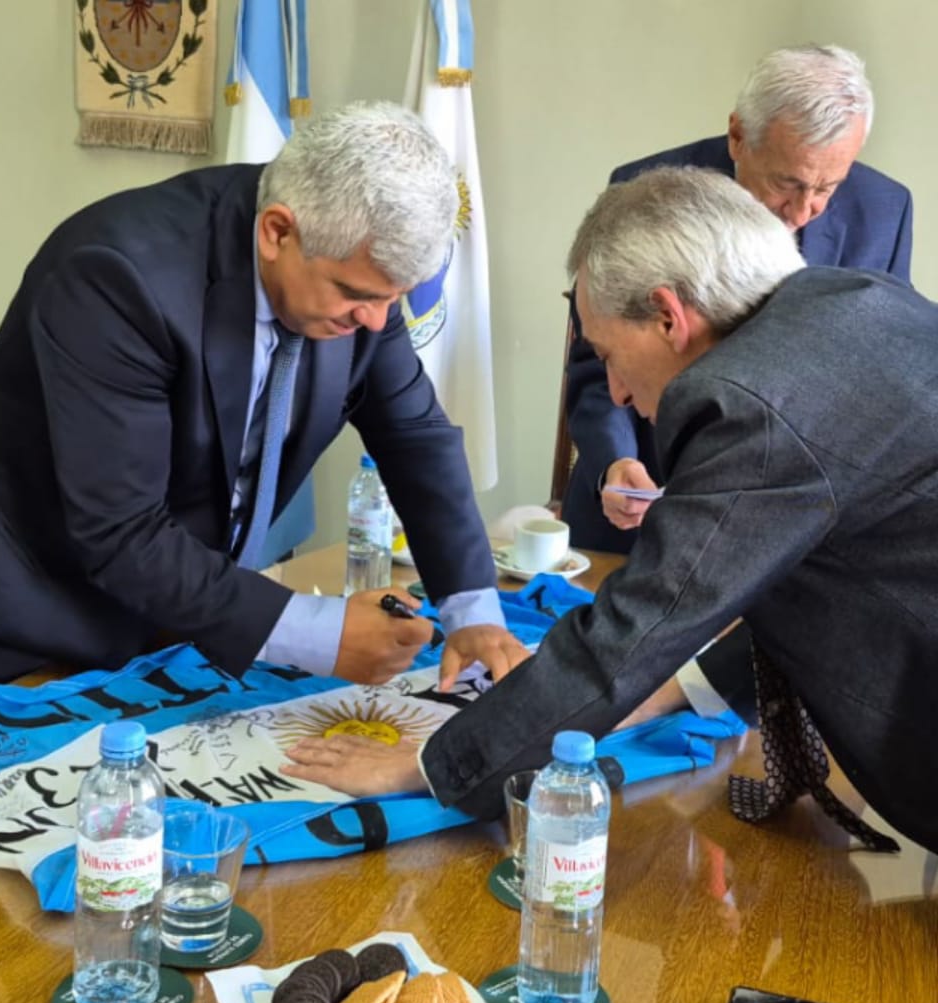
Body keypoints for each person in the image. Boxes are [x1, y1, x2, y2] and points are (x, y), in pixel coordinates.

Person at [283, 166, 938, 856]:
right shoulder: (854, 300)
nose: (618, 394)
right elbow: (778, 583)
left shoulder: (751, 403)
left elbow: (640, 625)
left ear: (668, 315)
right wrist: (663, 689)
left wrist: (432, 765)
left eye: (608, 355)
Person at [0, 101, 527, 696]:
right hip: (19, 589)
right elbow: (121, 531)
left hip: (157, 592)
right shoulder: (115, 277)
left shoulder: (359, 283)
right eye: (357, 295)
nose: (377, 322)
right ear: (277, 232)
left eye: (392, 299)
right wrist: (318, 634)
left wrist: (472, 613)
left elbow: (415, 438)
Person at [565, 43, 914, 725]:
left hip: (789, 529)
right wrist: (612, 461)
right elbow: (596, 363)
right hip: (647, 506)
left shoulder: (886, 208)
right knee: (601, 701)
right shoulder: (647, 193)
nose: (806, 209)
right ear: (737, 136)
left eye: (829, 187)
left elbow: (870, 375)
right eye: (788, 182)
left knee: (731, 729)